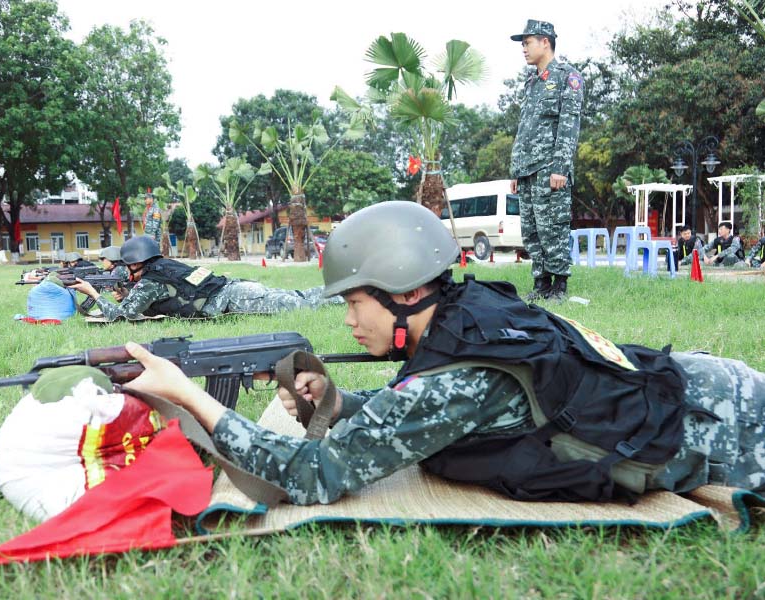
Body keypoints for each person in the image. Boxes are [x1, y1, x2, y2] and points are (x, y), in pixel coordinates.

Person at [122, 201, 765, 506]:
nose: (347, 322)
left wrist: (187, 394)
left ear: (405, 293)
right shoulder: (467, 312)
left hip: (728, 430)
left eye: (354, 304)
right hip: (696, 387)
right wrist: (341, 402)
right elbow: (421, 410)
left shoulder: (458, 370)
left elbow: (312, 476)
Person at [68, 235, 341, 321]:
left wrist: (93, 294)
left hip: (233, 297)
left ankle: (344, 295)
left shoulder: (151, 281)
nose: (126, 272)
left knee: (301, 305)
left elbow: (122, 315)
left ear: (137, 263)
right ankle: (342, 291)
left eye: (128, 267)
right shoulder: (162, 267)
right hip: (236, 288)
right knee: (299, 296)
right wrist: (128, 292)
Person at [509, 19, 584, 302]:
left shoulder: (568, 77)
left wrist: (560, 168)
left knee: (553, 226)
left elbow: (569, 125)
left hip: (550, 168)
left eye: (527, 43)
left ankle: (559, 285)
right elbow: (524, 127)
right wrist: (515, 170)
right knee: (531, 230)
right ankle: (541, 283)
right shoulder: (531, 83)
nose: (524, 49)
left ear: (545, 41)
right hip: (527, 169)